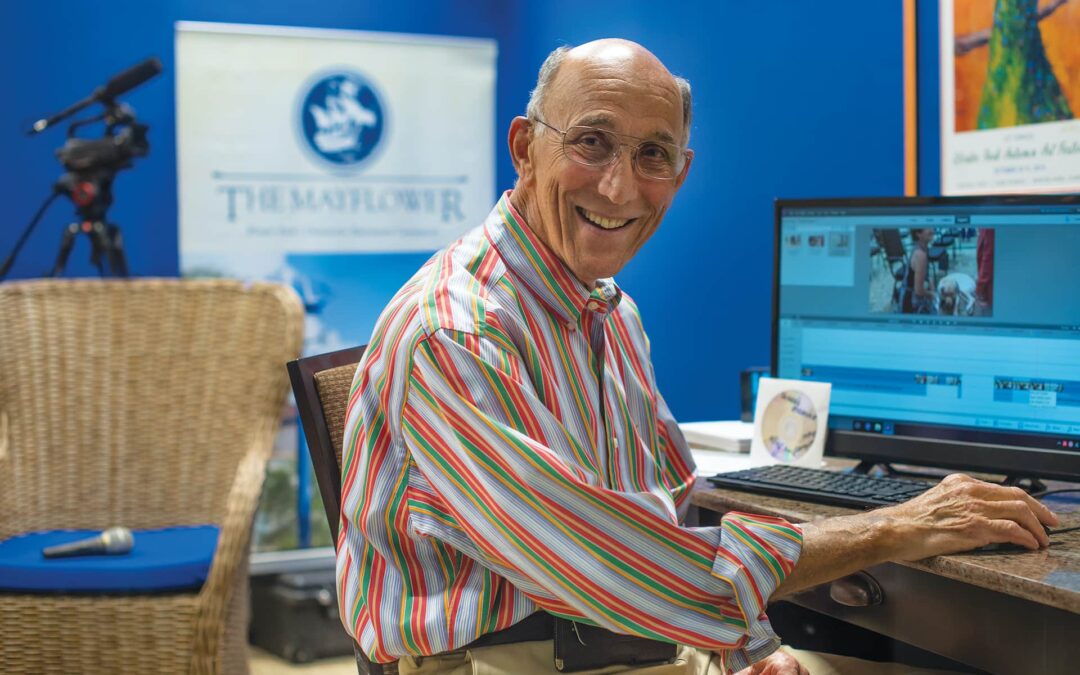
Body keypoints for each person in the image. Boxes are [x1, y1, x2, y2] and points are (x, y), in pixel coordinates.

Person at [337, 39, 1057, 675]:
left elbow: (671, 506)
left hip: (624, 638)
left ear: (680, 172)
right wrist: (895, 527)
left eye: (652, 153)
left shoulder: (610, 313)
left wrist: (747, 644)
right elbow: (607, 562)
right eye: (592, 141)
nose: (619, 186)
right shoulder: (455, 333)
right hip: (502, 659)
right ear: (526, 148)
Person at [902, 228, 936, 314]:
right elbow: (918, 291)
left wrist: (931, 282)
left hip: (912, 297)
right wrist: (933, 294)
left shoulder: (922, 248)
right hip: (911, 305)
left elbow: (926, 275)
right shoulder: (920, 255)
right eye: (927, 228)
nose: (932, 230)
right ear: (918, 234)